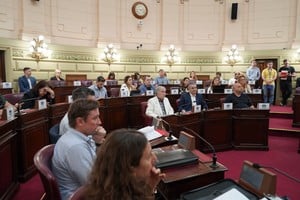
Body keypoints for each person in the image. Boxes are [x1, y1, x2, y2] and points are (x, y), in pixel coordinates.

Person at [84, 129, 165, 200]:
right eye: (148, 156)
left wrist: (150, 187)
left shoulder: (103, 189)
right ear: (130, 167)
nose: (155, 159)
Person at [52, 99, 103, 200]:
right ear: (80, 121)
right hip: (79, 196)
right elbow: (94, 184)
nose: (100, 122)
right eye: (95, 118)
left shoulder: (78, 136)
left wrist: (97, 142)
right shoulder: (76, 147)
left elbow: (95, 159)